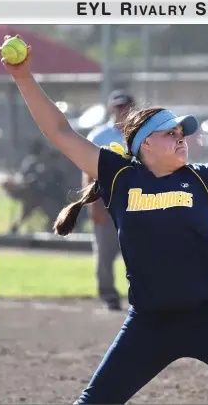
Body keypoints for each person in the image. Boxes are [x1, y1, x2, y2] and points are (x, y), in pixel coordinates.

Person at [0, 35, 208, 405]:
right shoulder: (119, 177)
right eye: (170, 134)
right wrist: (23, 77)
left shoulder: (202, 177)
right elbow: (59, 132)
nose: (181, 139)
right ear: (144, 145)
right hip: (150, 321)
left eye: (182, 134)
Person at [83, 90, 135, 311]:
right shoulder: (100, 135)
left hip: (138, 201)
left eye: (126, 106)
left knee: (140, 252)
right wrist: (92, 201)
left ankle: (142, 294)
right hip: (106, 201)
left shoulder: (144, 134)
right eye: (118, 107)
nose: (122, 111)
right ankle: (109, 294)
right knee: (105, 252)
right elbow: (88, 168)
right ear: (111, 109)